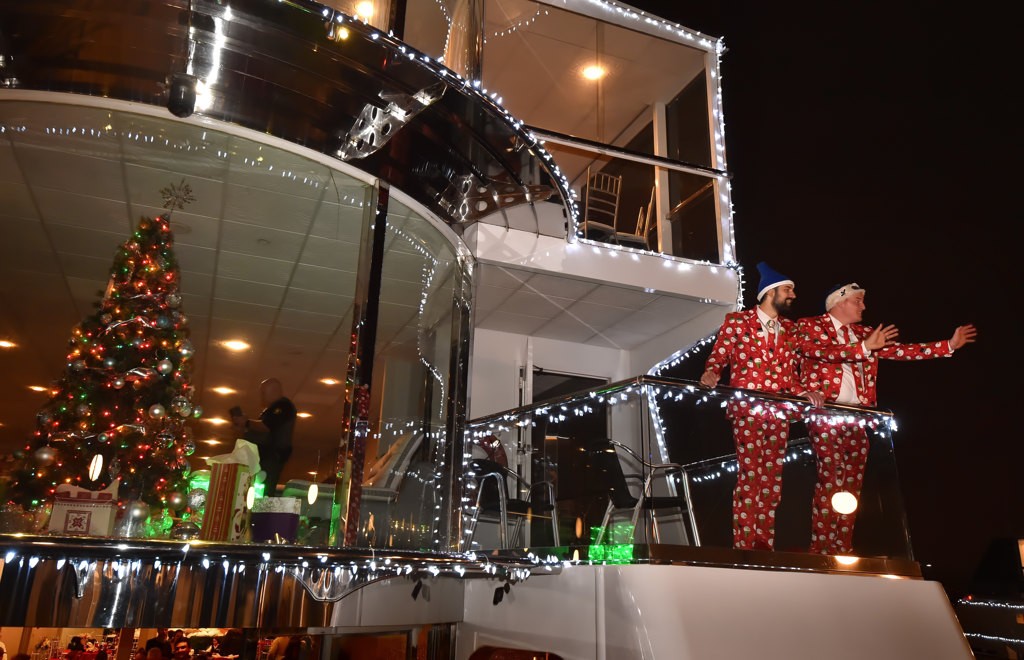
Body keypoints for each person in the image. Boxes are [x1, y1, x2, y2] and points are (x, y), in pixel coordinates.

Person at [700, 263, 894, 551]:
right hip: (748, 410)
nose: (793, 295)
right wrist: (711, 373)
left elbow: (818, 354)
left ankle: (764, 543)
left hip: (779, 412)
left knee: (771, 482)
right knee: (750, 475)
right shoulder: (737, 322)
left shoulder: (791, 330)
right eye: (788, 289)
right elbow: (719, 356)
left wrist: (807, 389)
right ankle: (745, 544)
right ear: (770, 293)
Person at [797, 282, 977, 554]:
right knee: (832, 477)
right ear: (840, 302)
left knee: (852, 485)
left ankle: (842, 547)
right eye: (858, 300)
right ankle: (820, 546)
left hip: (858, 416)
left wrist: (948, 345)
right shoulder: (809, 326)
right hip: (825, 414)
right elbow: (819, 352)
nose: (864, 307)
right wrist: (863, 348)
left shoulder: (866, 333)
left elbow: (903, 351)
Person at [231, 378, 297, 496]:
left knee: (263, 488)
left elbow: (267, 426)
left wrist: (246, 422)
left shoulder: (283, 406)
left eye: (264, 393)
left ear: (273, 391)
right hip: (265, 456)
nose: (262, 396)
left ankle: (260, 511)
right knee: (259, 486)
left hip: (271, 456)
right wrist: (246, 428)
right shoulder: (272, 409)